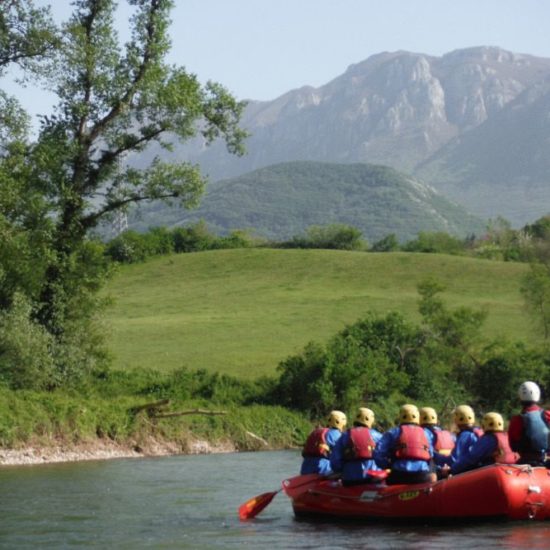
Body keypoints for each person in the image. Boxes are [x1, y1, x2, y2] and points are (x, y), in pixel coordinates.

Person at [373, 404, 436, 485]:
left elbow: (378, 453)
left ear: (401, 416)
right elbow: (431, 454)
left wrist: (387, 466)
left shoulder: (393, 432)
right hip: (422, 475)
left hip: (399, 474)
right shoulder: (426, 433)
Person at [450, 412, 518, 474]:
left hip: (495, 473)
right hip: (512, 471)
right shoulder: (507, 436)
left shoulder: (488, 439)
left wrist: (452, 469)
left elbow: (472, 458)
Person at [330, 407, 383, 485]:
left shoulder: (345, 435)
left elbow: (335, 460)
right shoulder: (377, 435)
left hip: (349, 478)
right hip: (372, 478)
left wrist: (341, 471)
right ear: (370, 419)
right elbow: (384, 454)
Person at [508, 381, 550, 466]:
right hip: (545, 461)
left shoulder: (517, 420)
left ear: (520, 397)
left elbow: (513, 446)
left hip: (526, 461)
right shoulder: (547, 415)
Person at [300, 410, 347, 475]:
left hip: (305, 468)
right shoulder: (336, 434)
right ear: (342, 423)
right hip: (322, 469)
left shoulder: (316, 432)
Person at [443, 404, 483, 470]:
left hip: (469, 470)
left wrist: (434, 456)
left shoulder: (465, 435)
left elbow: (454, 459)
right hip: (480, 467)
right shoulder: (479, 431)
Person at [420, 406, 455, 477]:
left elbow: (430, 453)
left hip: (435, 468)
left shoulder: (423, 432)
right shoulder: (444, 432)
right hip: (448, 464)